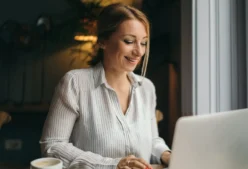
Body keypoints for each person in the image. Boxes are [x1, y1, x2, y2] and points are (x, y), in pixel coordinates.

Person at [40, 3, 171, 169]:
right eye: (129, 41)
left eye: (143, 43)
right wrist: (112, 165)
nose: (139, 52)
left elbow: (152, 140)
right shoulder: (75, 83)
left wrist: (165, 154)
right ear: (103, 41)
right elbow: (53, 146)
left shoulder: (147, 88)